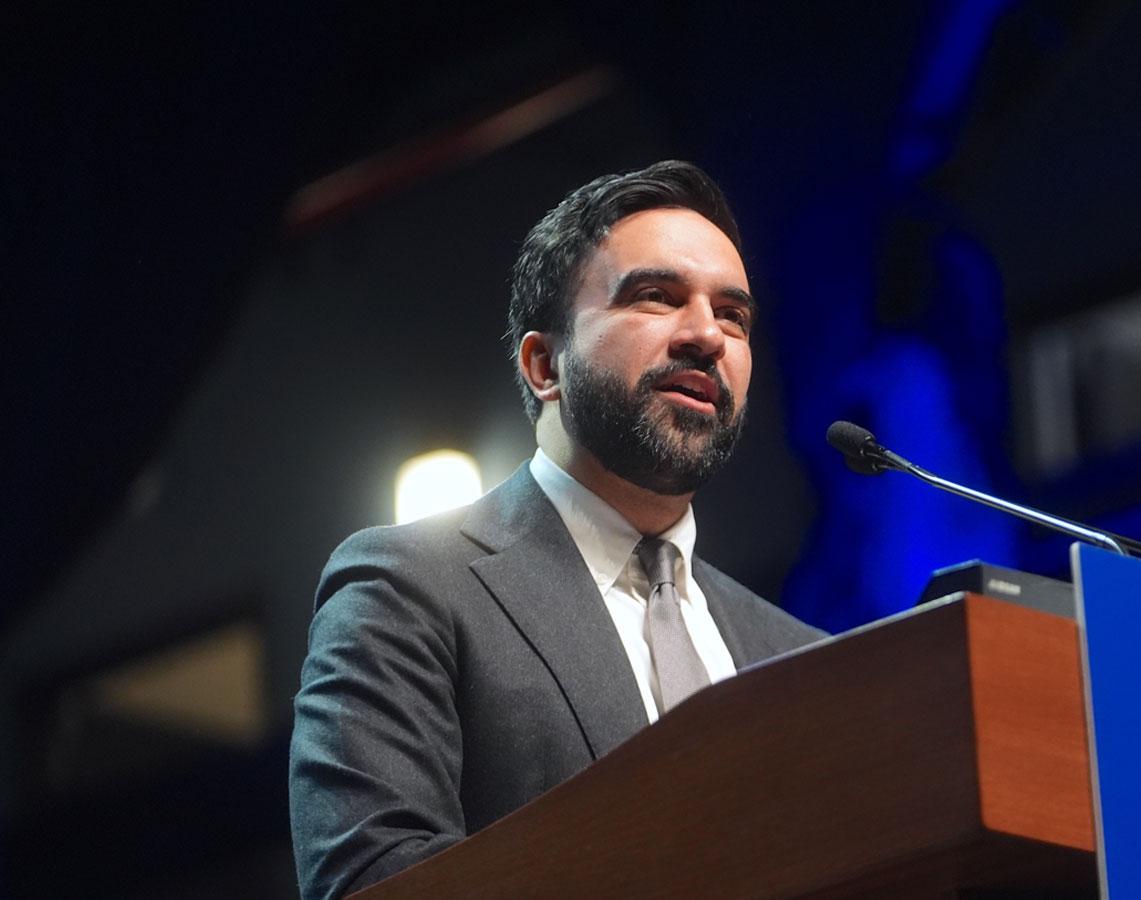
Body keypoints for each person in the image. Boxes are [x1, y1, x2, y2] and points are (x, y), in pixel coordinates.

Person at [288, 161, 826, 900]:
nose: (708, 334)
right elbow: (374, 878)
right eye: (656, 296)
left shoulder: (803, 656)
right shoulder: (407, 589)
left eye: (733, 315)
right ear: (546, 365)